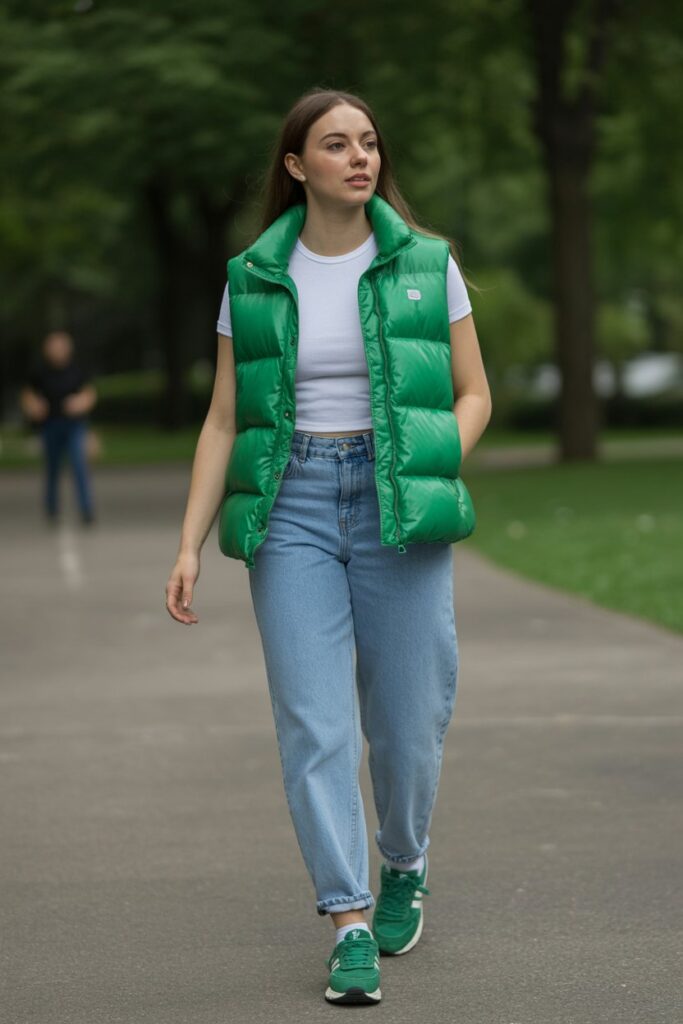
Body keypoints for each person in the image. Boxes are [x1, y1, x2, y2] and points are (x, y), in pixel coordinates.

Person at [165, 88, 492, 1006]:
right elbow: (225, 416)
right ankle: (348, 920)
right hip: (293, 505)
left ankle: (403, 863)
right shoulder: (252, 278)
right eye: (336, 144)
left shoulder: (428, 264)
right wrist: (188, 543)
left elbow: (473, 393)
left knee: (407, 720)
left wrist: (428, 464)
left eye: (370, 142)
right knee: (315, 722)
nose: (360, 157)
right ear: (296, 166)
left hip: (401, 508)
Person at [20, 330, 97, 525]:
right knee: (52, 469)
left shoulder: (77, 369)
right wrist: (34, 406)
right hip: (50, 425)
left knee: (79, 466)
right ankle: (51, 509)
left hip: (74, 425)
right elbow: (27, 394)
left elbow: (90, 394)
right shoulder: (39, 371)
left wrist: (79, 403)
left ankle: (87, 509)